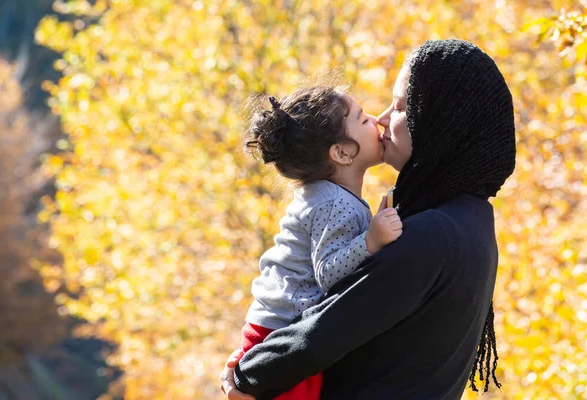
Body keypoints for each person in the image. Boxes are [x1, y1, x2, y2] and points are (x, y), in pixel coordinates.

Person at [220, 39, 516, 400]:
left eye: (402, 107)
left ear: (441, 120)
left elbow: (326, 330)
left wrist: (246, 375)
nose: (382, 119)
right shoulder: (468, 221)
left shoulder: (431, 236)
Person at [233, 85, 404, 400]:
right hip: (282, 336)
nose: (376, 122)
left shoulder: (328, 196)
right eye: (363, 120)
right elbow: (329, 272)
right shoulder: (331, 202)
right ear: (341, 152)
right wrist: (371, 240)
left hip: (277, 332)